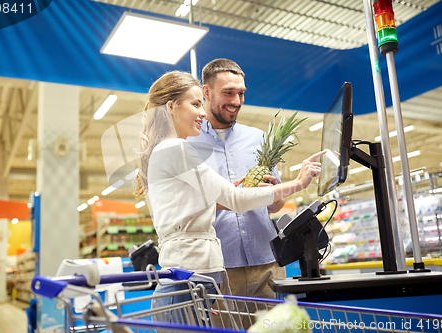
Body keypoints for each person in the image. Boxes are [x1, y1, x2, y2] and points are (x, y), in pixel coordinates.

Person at [134, 70, 324, 314]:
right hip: (191, 277)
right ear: (171, 107)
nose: (202, 112)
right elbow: (235, 200)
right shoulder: (176, 148)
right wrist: (299, 182)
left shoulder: (166, 149)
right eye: (195, 104)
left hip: (198, 278)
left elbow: (185, 208)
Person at [187, 59, 290, 300]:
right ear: (206, 92)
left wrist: (276, 194)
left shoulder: (258, 139)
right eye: (228, 93)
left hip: (267, 264)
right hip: (217, 270)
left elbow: (275, 206)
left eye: (241, 93)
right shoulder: (187, 142)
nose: (236, 101)